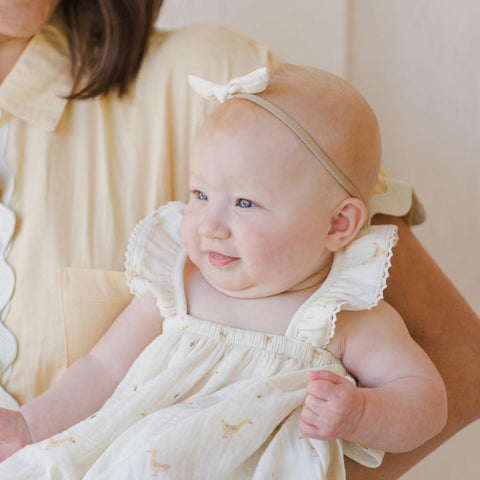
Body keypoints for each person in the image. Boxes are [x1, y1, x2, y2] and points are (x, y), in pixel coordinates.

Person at [0, 2, 478, 479]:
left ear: (338, 226)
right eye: (199, 195)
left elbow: (429, 396)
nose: (210, 224)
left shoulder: (339, 320)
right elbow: (102, 369)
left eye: (245, 204)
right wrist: (27, 424)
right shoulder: (180, 283)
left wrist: (361, 414)